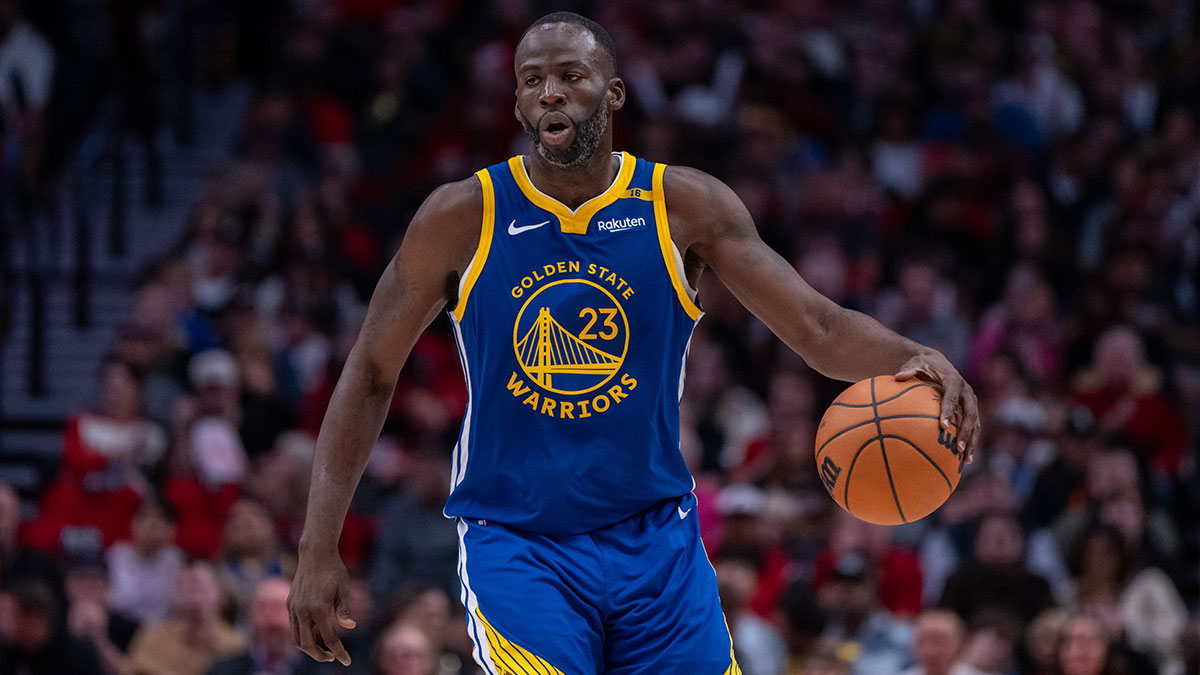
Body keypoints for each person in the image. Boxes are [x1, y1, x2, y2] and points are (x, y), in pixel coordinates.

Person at [287, 12, 980, 674]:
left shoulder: (682, 206)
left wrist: (912, 358)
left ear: (612, 92)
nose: (548, 90)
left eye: (569, 74)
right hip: (519, 542)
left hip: (657, 541)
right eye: (531, 80)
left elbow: (818, 328)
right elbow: (371, 373)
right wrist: (318, 546)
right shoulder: (461, 215)